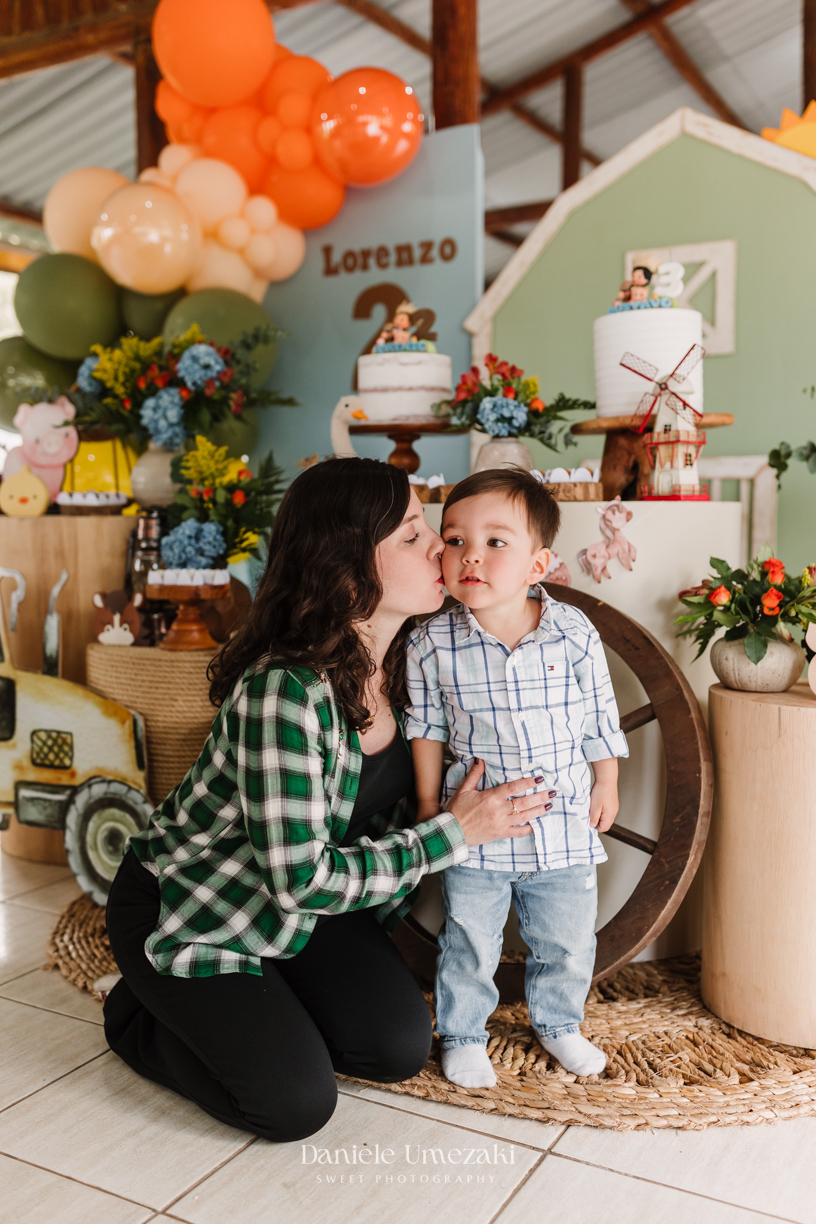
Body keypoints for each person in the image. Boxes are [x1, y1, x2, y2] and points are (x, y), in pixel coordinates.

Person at [103, 457, 553, 1143]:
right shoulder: (283, 693)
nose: (441, 545)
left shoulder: (412, 661)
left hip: (308, 905)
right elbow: (302, 878)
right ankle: (138, 1016)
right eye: (410, 535)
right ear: (346, 570)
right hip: (198, 901)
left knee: (395, 1049)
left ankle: (256, 1003)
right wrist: (455, 834)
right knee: (293, 1107)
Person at [406, 469, 629, 1089]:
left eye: (496, 542)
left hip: (561, 823)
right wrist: (430, 803)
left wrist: (605, 784)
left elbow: (599, 716)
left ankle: (559, 1024)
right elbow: (423, 726)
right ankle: (464, 1033)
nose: (470, 554)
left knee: (566, 938)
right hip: (474, 826)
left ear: (540, 563)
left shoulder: (572, 631)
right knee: (469, 940)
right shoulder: (430, 642)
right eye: (454, 540)